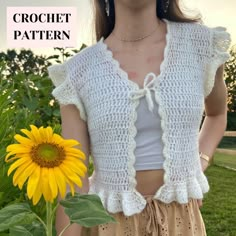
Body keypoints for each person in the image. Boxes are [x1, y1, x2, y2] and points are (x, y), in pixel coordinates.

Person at [48, 0, 232, 235]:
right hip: (109, 223)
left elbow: (216, 114)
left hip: (182, 221)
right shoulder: (78, 72)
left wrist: (198, 163)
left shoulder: (201, 45)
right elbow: (74, 177)